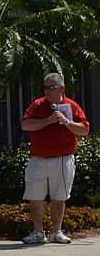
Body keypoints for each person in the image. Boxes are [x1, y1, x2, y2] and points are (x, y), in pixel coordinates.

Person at [20, 72, 89, 245]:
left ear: (61, 88)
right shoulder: (37, 105)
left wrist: (66, 122)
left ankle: (56, 232)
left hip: (62, 159)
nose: (48, 91)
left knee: (59, 197)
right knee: (35, 197)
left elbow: (84, 130)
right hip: (38, 160)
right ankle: (38, 232)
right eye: (45, 87)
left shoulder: (71, 106)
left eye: (52, 87)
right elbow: (25, 125)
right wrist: (48, 120)